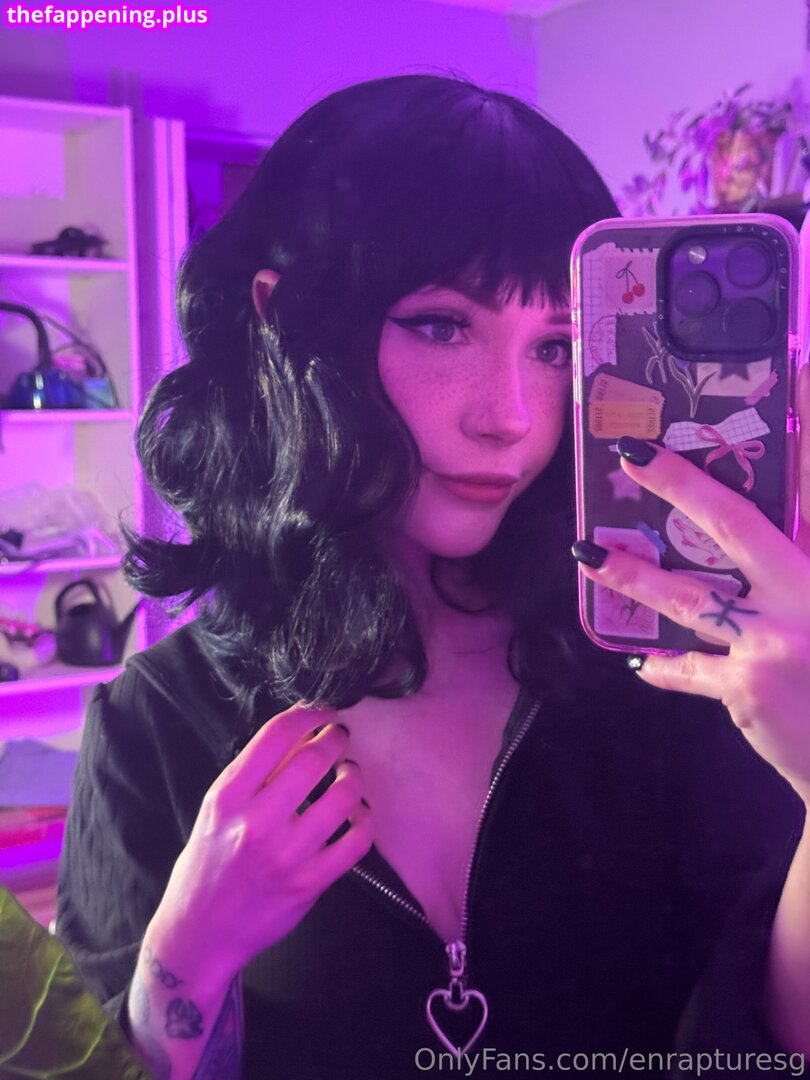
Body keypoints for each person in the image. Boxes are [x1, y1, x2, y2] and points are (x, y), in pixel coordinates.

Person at [55, 74, 809, 1080]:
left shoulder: (675, 678)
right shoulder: (155, 725)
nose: (510, 416)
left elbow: (772, 1041)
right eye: (444, 325)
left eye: (556, 347)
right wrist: (186, 953)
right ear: (288, 322)